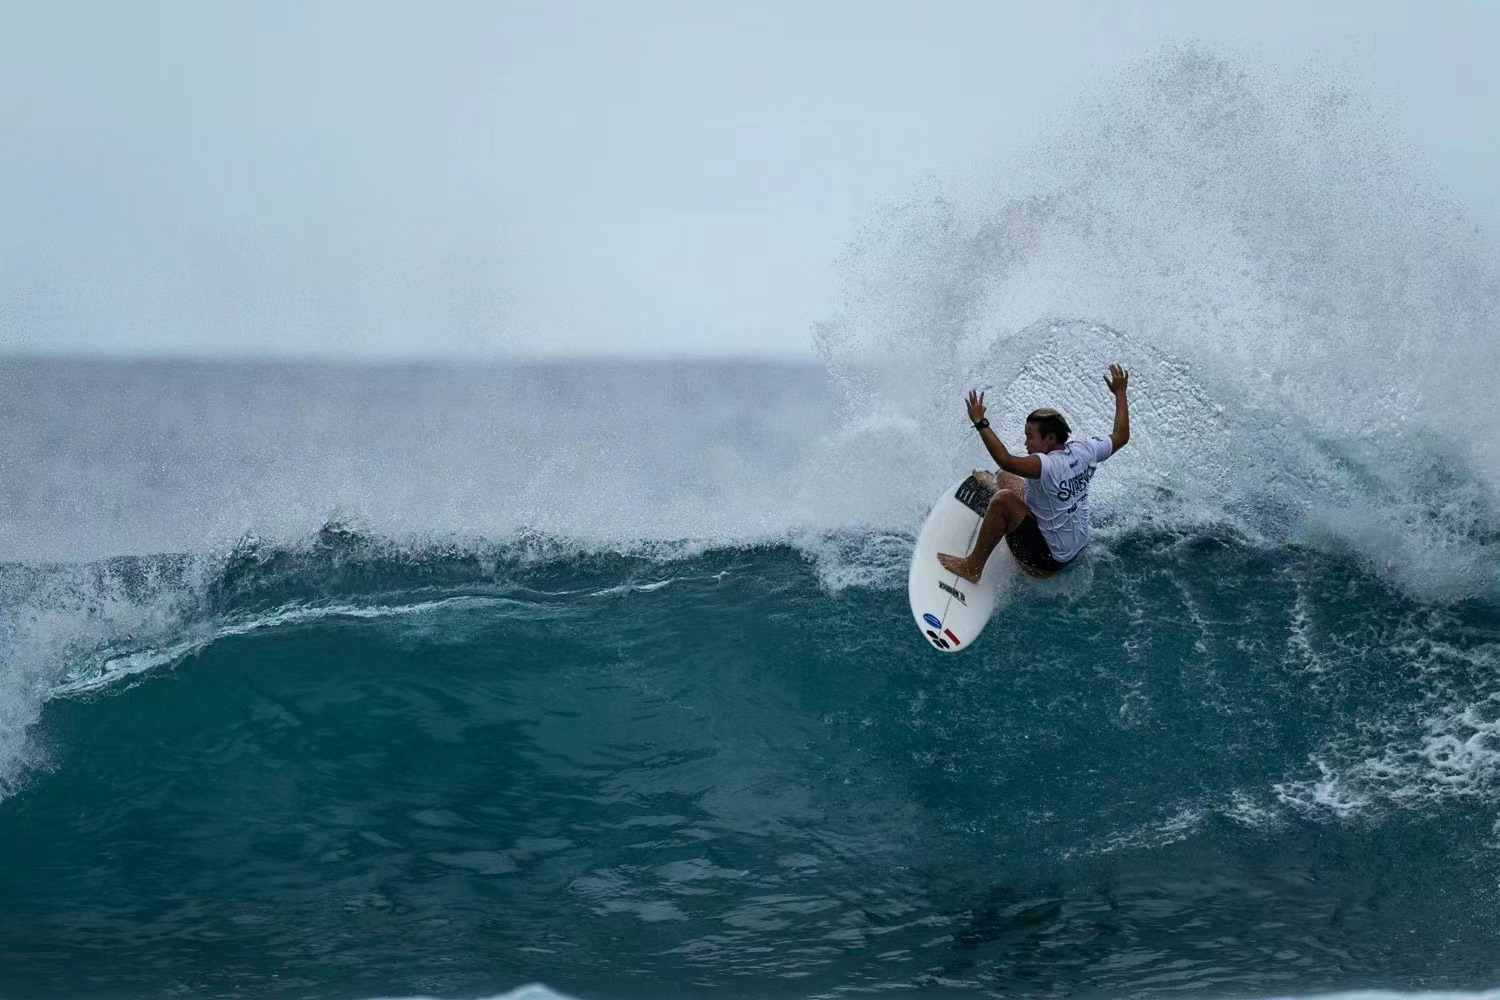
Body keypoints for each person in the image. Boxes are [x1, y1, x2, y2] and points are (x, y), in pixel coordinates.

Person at [937, 364, 1131, 582]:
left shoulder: (1046, 465)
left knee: (1003, 499)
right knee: (1005, 476)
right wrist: (1120, 392)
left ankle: (972, 567)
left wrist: (981, 423)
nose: (1026, 443)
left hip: (1046, 561)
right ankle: (994, 488)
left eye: (1030, 437)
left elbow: (1005, 459)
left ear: (1049, 438)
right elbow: (1121, 435)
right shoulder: (1085, 450)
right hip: (1076, 548)